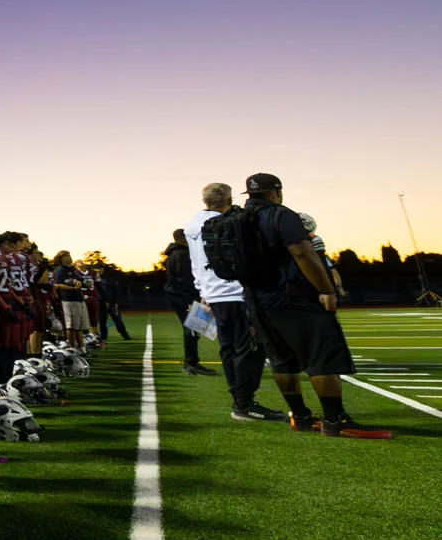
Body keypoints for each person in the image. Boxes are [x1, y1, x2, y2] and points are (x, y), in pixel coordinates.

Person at [240, 174, 389, 438]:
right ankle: (335, 420)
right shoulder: (281, 214)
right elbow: (302, 252)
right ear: (277, 191)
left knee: (281, 361)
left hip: (257, 300)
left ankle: (301, 417)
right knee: (323, 357)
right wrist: (325, 289)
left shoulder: (238, 219)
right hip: (293, 297)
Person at [186, 183, 283, 421]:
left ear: (204, 200)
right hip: (237, 294)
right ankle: (244, 404)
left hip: (213, 295)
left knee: (229, 349)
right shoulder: (232, 222)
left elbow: (195, 263)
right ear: (229, 199)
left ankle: (240, 400)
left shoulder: (192, 225)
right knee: (250, 349)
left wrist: (203, 292)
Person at [162, 231, 216, 375]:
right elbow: (184, 279)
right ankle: (191, 363)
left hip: (178, 296)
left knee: (193, 329)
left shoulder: (174, 254)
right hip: (184, 298)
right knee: (192, 330)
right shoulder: (183, 254)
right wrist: (190, 301)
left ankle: (191, 362)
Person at [93, 265, 133, 341]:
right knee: (102, 321)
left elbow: (116, 291)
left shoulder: (109, 279)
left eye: (99, 268)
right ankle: (104, 337)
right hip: (101, 304)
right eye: (96, 268)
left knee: (118, 320)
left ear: (102, 269)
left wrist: (115, 302)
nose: (98, 270)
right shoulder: (93, 279)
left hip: (112, 303)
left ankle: (125, 335)